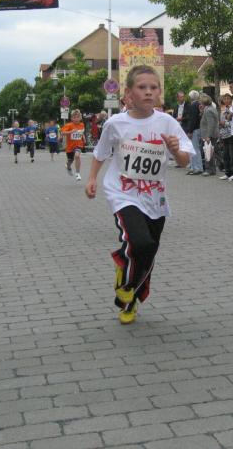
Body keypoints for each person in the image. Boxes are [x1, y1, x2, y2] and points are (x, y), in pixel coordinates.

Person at [86, 64, 194, 325]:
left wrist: (175, 150)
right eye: (142, 87)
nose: (148, 92)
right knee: (139, 243)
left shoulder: (167, 122)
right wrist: (91, 179)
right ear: (128, 93)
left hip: (155, 198)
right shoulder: (115, 123)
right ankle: (126, 284)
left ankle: (130, 299)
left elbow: (184, 162)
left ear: (159, 92)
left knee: (148, 252)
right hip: (123, 194)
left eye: (153, 87)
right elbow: (101, 153)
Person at [61, 110, 86, 180]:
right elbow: (62, 133)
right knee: (70, 160)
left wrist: (83, 138)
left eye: (78, 117)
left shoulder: (82, 125)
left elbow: (81, 132)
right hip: (70, 147)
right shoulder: (69, 125)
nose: (76, 119)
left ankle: (77, 173)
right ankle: (68, 167)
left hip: (78, 145)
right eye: (74, 117)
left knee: (77, 156)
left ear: (80, 117)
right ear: (71, 118)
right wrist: (71, 132)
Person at [199, 93, 219, 176]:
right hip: (211, 134)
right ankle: (212, 169)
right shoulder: (210, 108)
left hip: (209, 134)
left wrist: (208, 136)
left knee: (208, 152)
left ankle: (209, 169)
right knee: (210, 152)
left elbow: (211, 124)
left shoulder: (208, 110)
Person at [185, 90, 204, 175]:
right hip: (198, 128)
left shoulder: (193, 105)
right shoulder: (198, 104)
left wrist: (190, 131)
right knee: (195, 148)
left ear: (191, 97)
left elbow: (192, 119)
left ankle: (197, 168)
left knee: (194, 149)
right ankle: (194, 167)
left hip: (194, 129)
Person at [217, 93, 233, 180]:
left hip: (230, 134)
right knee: (225, 154)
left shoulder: (231, 109)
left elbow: (232, 122)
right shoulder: (223, 110)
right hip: (224, 135)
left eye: (228, 98)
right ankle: (227, 172)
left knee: (231, 154)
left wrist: (224, 123)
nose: (226, 100)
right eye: (225, 99)